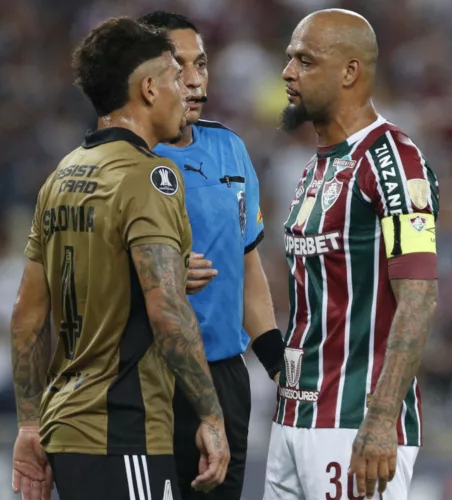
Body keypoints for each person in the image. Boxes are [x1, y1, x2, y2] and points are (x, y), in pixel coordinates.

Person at [8, 17, 230, 500]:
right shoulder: (150, 179)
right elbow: (167, 312)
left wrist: (29, 424)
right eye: (174, 76)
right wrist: (212, 414)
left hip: (65, 429)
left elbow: (27, 316)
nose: (185, 87)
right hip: (123, 430)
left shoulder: (63, 175)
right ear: (149, 88)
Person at [264, 9, 439, 500]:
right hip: (293, 417)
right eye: (289, 59)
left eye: (305, 60)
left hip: (355, 425)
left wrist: (382, 418)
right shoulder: (312, 169)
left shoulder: (395, 162)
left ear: (349, 72)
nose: (288, 72)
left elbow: (419, 298)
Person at [138, 11, 285, 500]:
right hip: (149, 376)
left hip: (225, 378)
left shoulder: (230, 149)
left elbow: (247, 264)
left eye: (201, 63)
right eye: (178, 65)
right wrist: (160, 277)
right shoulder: (123, 161)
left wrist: (277, 364)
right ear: (145, 78)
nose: (195, 78)